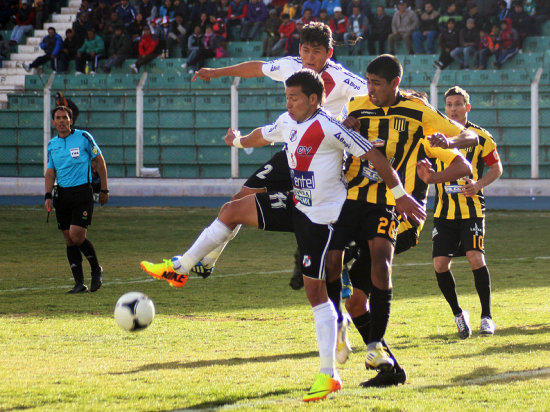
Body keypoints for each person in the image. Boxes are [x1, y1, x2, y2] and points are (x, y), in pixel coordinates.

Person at [140, 69, 425, 402]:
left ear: (314, 99)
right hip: (298, 205)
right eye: (286, 97)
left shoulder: (330, 127)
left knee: (317, 294)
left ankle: (329, 375)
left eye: (294, 98)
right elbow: (265, 134)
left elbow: (373, 155)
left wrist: (402, 194)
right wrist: (237, 141)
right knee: (231, 211)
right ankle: (182, 267)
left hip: (325, 222)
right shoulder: (289, 121)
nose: (288, 103)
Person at [191, 22, 372, 364]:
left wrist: (358, 120)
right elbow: (255, 68)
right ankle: (208, 259)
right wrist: (216, 72)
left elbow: (371, 97)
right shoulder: (291, 66)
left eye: (316, 51)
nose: (309, 56)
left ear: (328, 53)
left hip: (325, 163)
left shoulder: (345, 79)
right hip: (290, 150)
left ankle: (347, 331)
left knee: (327, 263)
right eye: (305, 49)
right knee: (235, 204)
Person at [325, 54, 477, 376]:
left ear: (395, 84)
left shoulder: (418, 116)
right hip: (351, 201)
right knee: (346, 287)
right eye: (367, 82)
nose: (370, 89)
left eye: (376, 84)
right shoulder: (356, 106)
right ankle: (382, 362)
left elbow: (469, 140)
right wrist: (344, 126)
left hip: (394, 210)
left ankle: (372, 342)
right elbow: (334, 140)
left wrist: (442, 151)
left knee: (377, 265)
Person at [432, 86, 502, 339]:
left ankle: (487, 317)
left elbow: (497, 168)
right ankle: (459, 315)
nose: (453, 108)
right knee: (440, 264)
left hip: (471, 210)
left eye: (458, 104)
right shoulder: (435, 137)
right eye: (449, 104)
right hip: (443, 211)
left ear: (467, 107)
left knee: (475, 257)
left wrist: (479, 185)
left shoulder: (481, 137)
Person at [45, 106, 109, 294]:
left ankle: (96, 269)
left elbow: (100, 161)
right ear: (53, 122)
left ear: (71, 120)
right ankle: (79, 283)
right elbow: (50, 172)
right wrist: (48, 195)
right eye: (58, 118)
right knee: (69, 239)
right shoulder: (52, 145)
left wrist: (104, 189)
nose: (62, 121)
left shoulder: (83, 137)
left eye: (65, 117)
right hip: (62, 194)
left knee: (77, 235)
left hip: (82, 192)